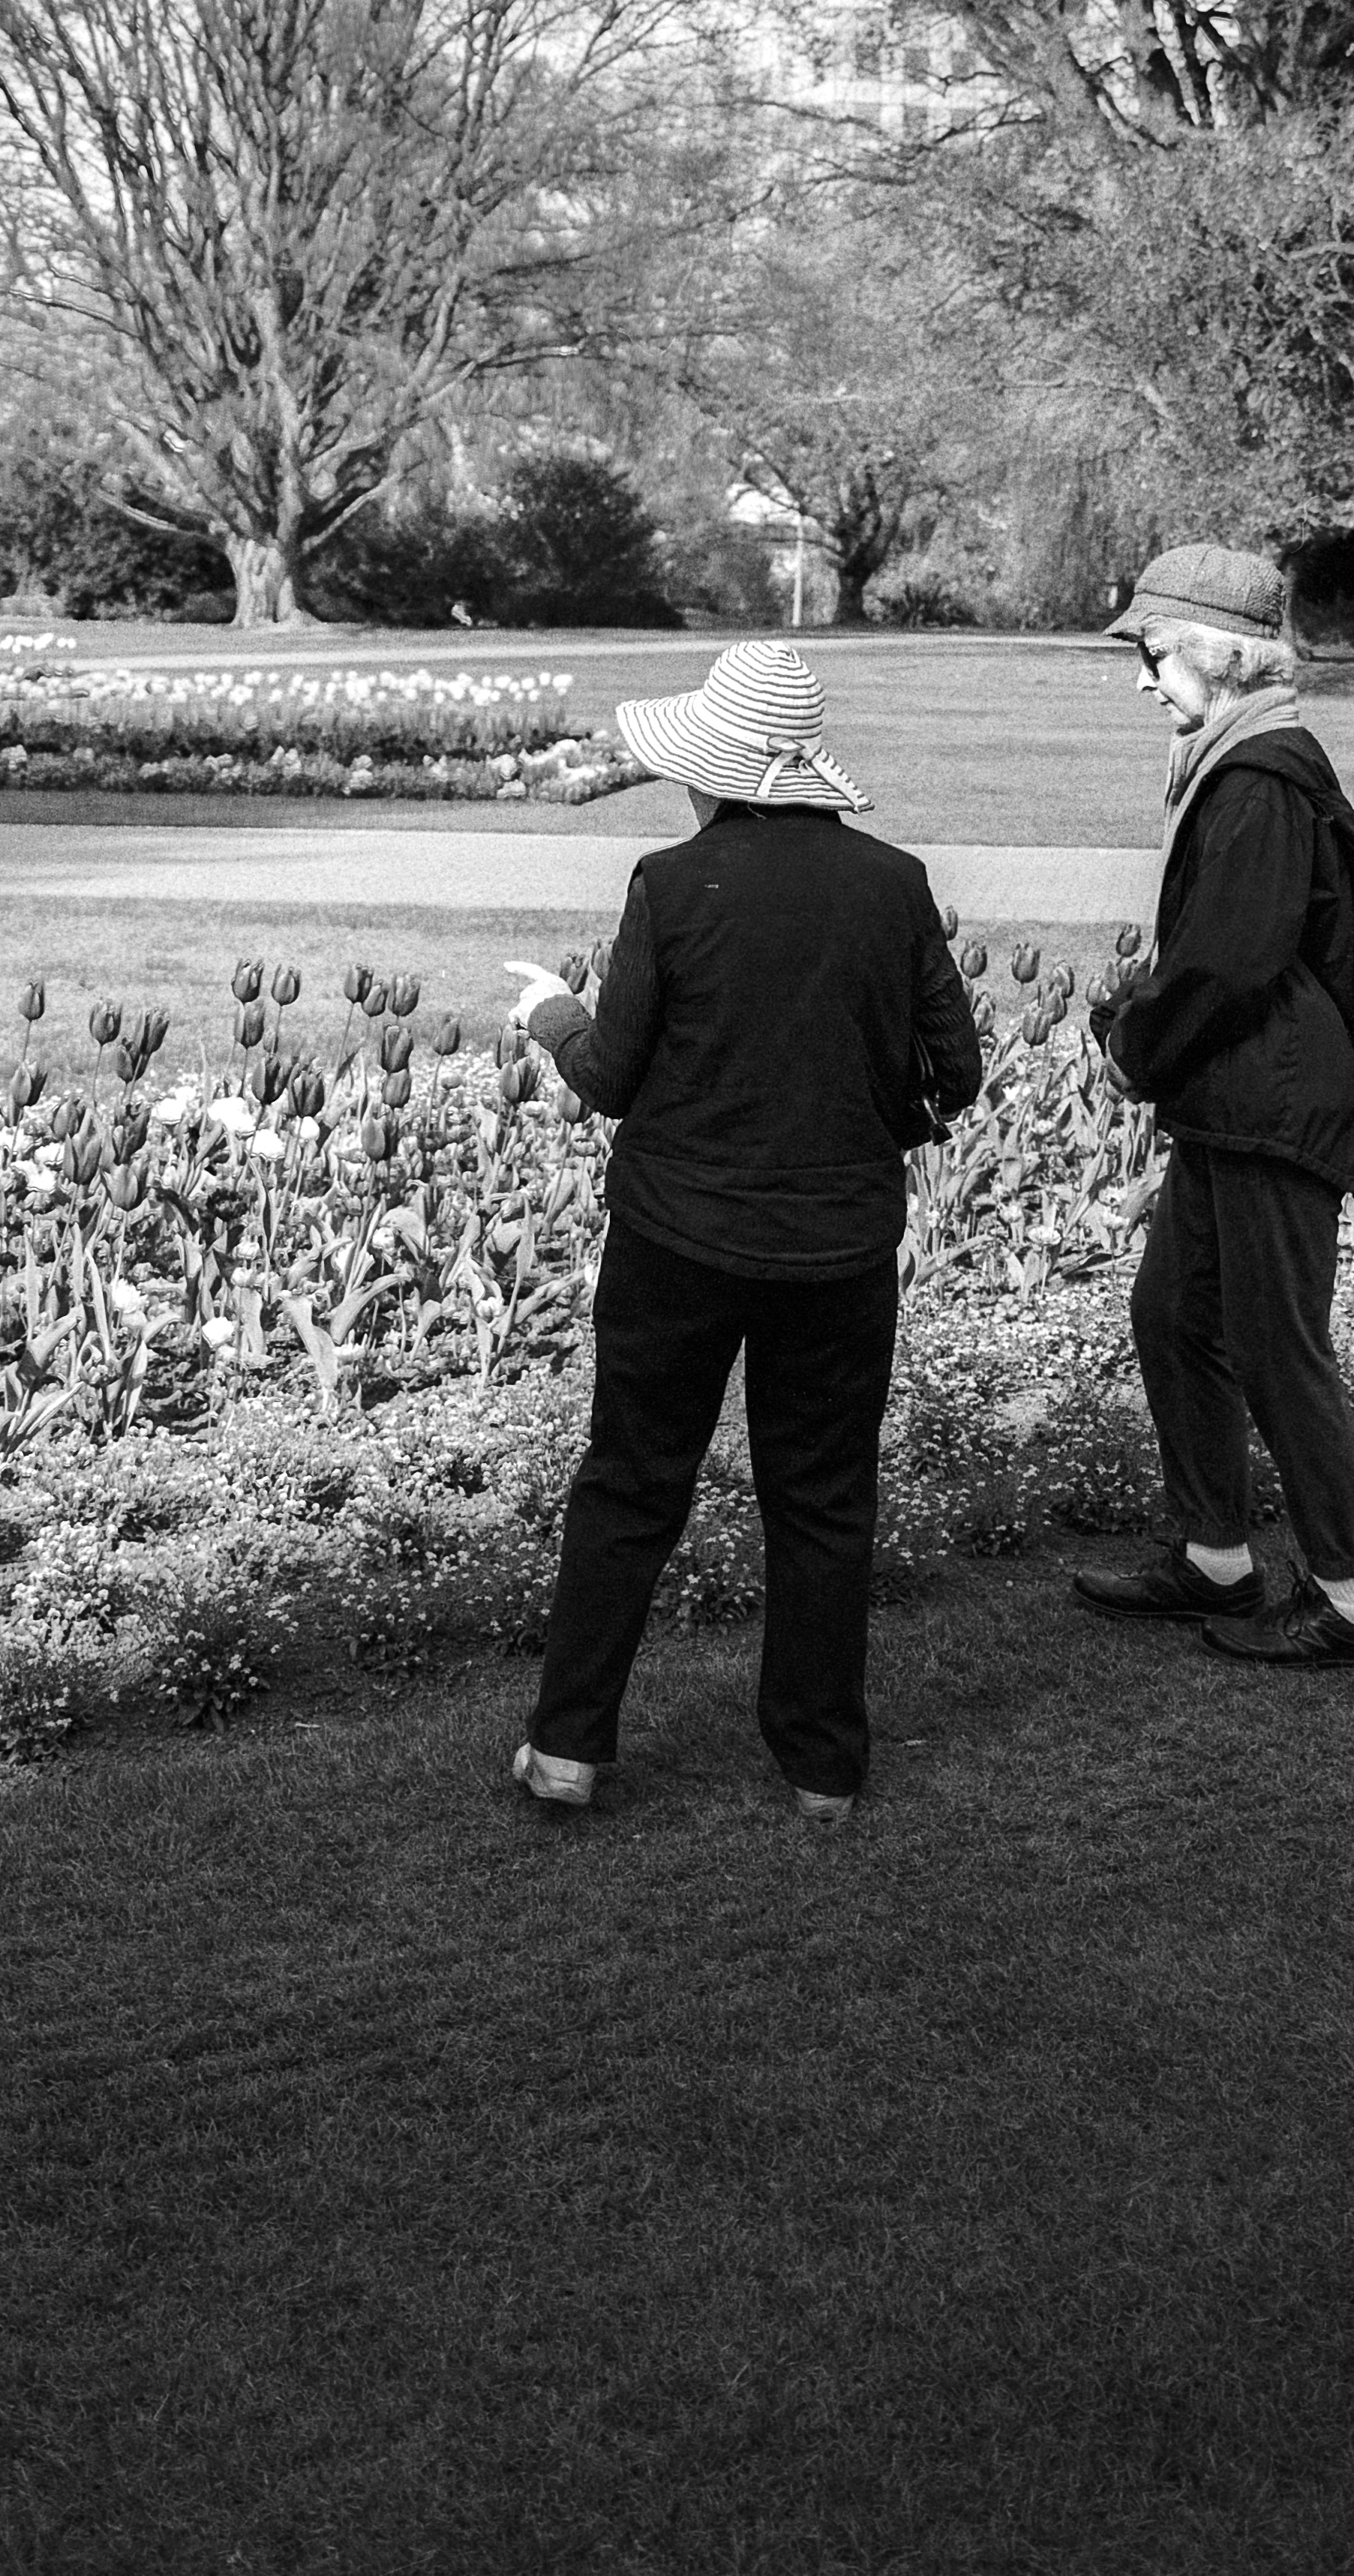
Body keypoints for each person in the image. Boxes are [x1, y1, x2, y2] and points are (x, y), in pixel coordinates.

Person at [501, 638, 985, 1820]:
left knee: (631, 1480)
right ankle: (822, 1764)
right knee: (823, 1496)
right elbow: (955, 1072)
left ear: (713, 770)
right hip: (840, 1243)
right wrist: (875, 1133)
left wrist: (552, 1016)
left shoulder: (674, 885)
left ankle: (568, 1748)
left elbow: (612, 1076)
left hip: (680, 1237)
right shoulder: (894, 881)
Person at [1069, 542, 1354, 1669]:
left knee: (1278, 1347)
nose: (1143, 677)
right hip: (1236, 1098)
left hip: (1272, 1102)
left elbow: (1229, 964)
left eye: (1155, 652)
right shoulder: (1243, 756)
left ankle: (1351, 1601)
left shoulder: (1257, 778)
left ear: (1222, 654)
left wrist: (1134, 1044)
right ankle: (1214, 1555)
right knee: (1174, 1316)